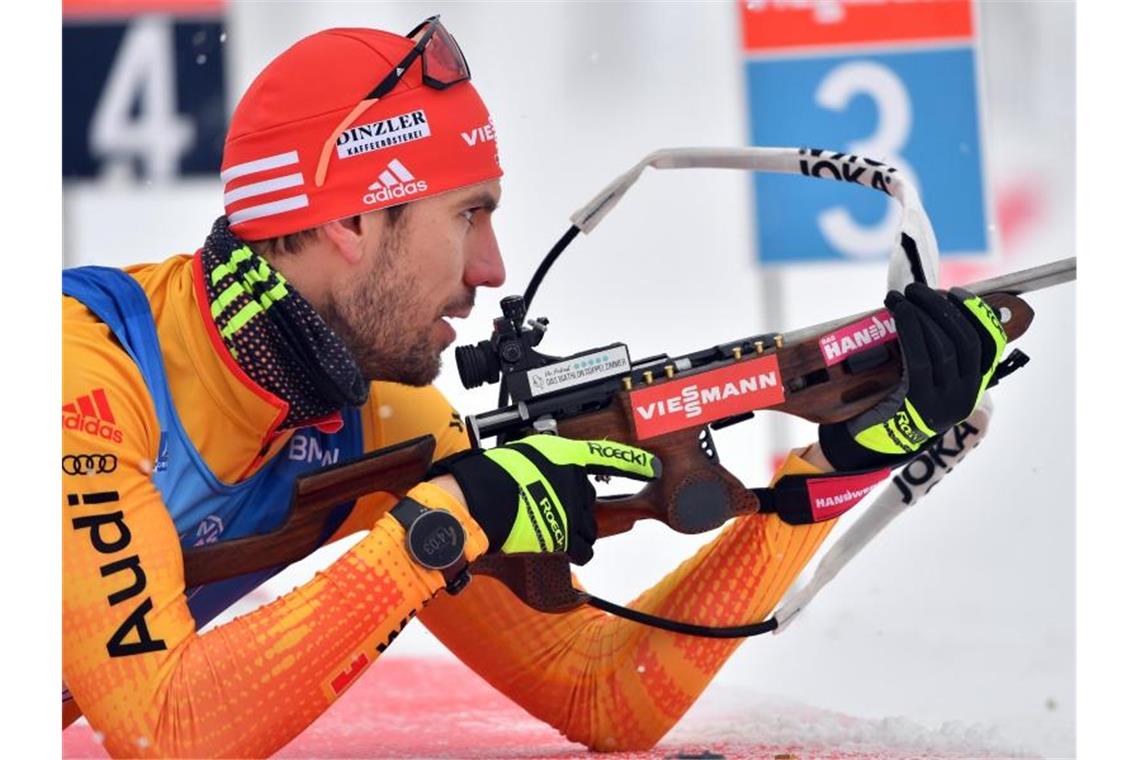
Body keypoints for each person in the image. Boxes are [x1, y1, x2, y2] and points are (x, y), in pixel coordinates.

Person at [62, 18, 1007, 758]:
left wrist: (831, 472)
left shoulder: (378, 417)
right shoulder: (77, 378)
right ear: (349, 220)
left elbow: (601, 692)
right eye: (468, 215)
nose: (493, 266)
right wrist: (435, 529)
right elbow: (164, 731)